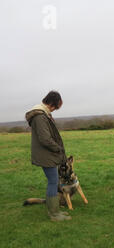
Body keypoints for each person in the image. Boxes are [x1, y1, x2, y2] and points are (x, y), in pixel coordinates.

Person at [25, 91, 71, 221]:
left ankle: (54, 209)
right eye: (55, 107)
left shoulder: (43, 114)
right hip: (46, 155)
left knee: (53, 181)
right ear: (51, 103)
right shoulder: (40, 116)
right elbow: (45, 139)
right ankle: (54, 214)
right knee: (52, 182)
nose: (54, 110)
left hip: (47, 154)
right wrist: (58, 149)